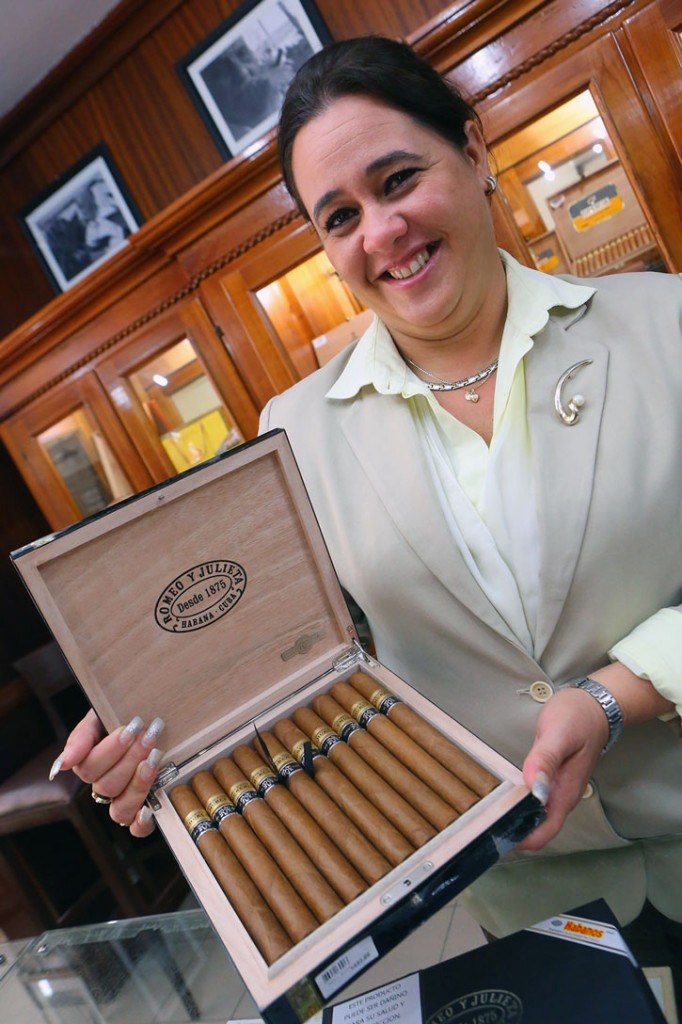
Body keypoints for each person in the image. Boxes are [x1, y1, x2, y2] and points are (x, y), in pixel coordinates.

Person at [53, 35, 681, 978]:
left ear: (474, 153)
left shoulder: (663, 327)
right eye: (339, 215)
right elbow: (286, 667)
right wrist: (160, 737)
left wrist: (612, 696)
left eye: (397, 180)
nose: (380, 233)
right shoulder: (292, 432)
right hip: (524, 901)